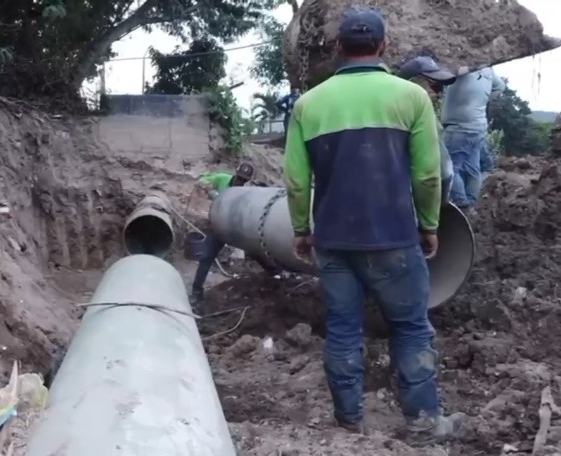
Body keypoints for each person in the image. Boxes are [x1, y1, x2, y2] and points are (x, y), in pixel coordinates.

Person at [283, 7, 466, 445]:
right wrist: (430, 224)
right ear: (383, 47)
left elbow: (294, 179)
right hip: (394, 238)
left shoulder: (309, 104)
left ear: (339, 48)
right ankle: (423, 423)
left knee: (343, 328)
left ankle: (349, 421)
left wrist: (302, 229)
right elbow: (428, 175)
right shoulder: (411, 97)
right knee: (410, 327)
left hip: (333, 241)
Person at [190, 162, 281, 308]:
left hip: (237, 227)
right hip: (219, 224)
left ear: (249, 179)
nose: (240, 181)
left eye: (244, 180)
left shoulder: (248, 191)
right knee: (206, 257)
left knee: (255, 250)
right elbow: (201, 181)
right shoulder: (222, 179)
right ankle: (196, 293)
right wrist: (212, 192)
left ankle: (276, 274)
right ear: (235, 172)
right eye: (239, 178)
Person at [440, 66, 505, 212]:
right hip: (478, 126)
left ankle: (461, 204)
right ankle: (470, 206)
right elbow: (500, 86)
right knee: (472, 168)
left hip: (459, 127)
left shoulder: (463, 67)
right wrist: (480, 101)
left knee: (449, 168)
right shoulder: (488, 70)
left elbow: (444, 76)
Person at [396, 56, 457, 205]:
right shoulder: (424, 116)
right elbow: (443, 174)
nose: (440, 93)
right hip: (407, 208)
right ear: (413, 82)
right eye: (435, 86)